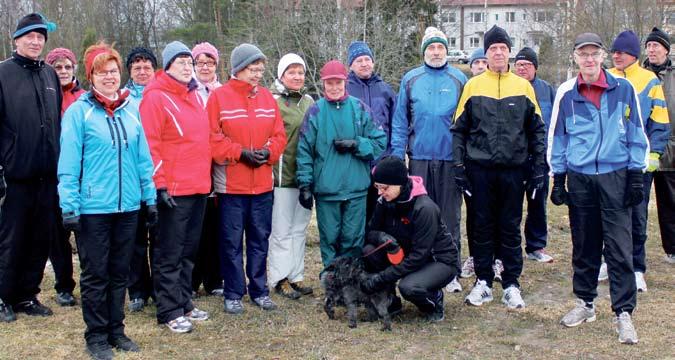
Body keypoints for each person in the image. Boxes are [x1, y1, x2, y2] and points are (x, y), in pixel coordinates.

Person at [58, 41, 156, 359]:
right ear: (91, 76)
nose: (110, 77)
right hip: (93, 210)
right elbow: (69, 164)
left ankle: (117, 330)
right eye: (102, 73)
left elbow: (143, 158)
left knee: (119, 273)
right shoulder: (79, 113)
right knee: (95, 274)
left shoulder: (131, 110)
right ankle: (96, 335)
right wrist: (69, 205)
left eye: (113, 71)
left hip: (127, 207)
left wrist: (149, 197)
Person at [549, 32, 648, 344]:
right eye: (583, 54)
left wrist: (635, 174)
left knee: (619, 247)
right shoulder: (567, 95)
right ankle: (585, 303)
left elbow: (636, 133)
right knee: (585, 244)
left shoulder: (624, 89)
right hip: (580, 180)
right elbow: (559, 139)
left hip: (615, 176)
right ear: (576, 58)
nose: (589, 59)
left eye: (594, 54)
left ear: (603, 56)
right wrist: (559, 177)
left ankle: (624, 313)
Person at [451, 25, 546, 309]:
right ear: (486, 53)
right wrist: (458, 165)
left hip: (513, 170)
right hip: (479, 169)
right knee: (480, 225)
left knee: (509, 225)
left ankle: (511, 282)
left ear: (509, 53)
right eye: (493, 48)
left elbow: (537, 130)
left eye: (503, 48)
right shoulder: (473, 85)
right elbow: (459, 130)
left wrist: (539, 165)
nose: (498, 52)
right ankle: (483, 280)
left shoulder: (523, 86)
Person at [207, 43, 287, 315]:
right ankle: (233, 292)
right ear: (238, 69)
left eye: (260, 69)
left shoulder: (267, 98)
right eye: (252, 68)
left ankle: (259, 290)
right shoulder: (218, 97)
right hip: (232, 186)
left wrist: (268, 153)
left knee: (259, 239)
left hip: (263, 185)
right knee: (231, 242)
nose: (257, 74)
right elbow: (213, 139)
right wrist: (239, 153)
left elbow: (279, 136)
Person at [140, 41, 211, 333]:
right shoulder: (155, 97)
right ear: (167, 66)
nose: (187, 67)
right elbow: (150, 144)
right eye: (180, 62)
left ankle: (184, 301)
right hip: (173, 188)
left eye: (189, 62)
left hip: (197, 186)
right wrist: (159, 186)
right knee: (169, 251)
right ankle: (168, 308)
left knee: (188, 249)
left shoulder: (193, 96)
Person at [390, 27, 467, 293]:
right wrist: (398, 155)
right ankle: (423, 265)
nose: (436, 52)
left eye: (441, 48)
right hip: (419, 158)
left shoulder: (459, 78)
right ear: (424, 51)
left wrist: (464, 157)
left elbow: (467, 121)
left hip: (449, 159)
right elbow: (400, 120)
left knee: (449, 215)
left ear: (447, 51)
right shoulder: (411, 79)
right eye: (431, 48)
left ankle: (451, 269)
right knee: (421, 215)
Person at [0, 13, 61, 323]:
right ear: (17, 39)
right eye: (30, 36)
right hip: (15, 175)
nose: (36, 41)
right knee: (11, 239)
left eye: (40, 37)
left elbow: (57, 124)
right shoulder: (3, 74)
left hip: (47, 176)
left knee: (40, 238)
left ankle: (27, 294)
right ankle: (2, 296)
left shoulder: (50, 76)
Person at [296, 59, 386, 269]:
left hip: (356, 189)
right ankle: (331, 281)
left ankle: (351, 282)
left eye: (338, 83)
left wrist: (357, 144)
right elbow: (304, 152)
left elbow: (379, 142)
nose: (334, 88)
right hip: (328, 189)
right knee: (330, 239)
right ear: (323, 84)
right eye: (329, 83)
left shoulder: (360, 109)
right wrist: (305, 184)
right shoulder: (315, 112)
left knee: (353, 239)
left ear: (345, 82)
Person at [605, 30, 670, 290]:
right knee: (608, 214)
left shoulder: (649, 80)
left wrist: (654, 153)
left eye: (621, 52)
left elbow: (660, 121)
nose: (616, 56)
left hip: (637, 162)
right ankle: (608, 261)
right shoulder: (605, 76)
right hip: (608, 161)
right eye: (614, 52)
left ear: (633, 54)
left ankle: (636, 267)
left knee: (636, 215)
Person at [361, 156, 459, 322]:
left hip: (438, 260)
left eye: (384, 188)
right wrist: (381, 237)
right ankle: (390, 302)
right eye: (377, 187)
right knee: (369, 251)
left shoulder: (424, 208)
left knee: (408, 286)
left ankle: (433, 300)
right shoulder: (384, 200)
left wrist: (381, 278)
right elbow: (370, 232)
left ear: (399, 184)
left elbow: (418, 257)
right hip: (405, 252)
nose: (380, 192)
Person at [267, 53, 315, 299]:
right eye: (291, 72)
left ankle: (296, 276)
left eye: (300, 72)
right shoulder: (272, 100)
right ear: (281, 75)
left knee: (299, 229)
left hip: (305, 178)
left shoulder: (308, 101)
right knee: (282, 230)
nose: (297, 77)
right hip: (282, 176)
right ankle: (279, 277)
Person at [45, 47, 86, 307]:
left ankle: (91, 281)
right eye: (57, 67)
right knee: (57, 235)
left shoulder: (83, 98)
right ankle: (64, 285)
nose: (62, 71)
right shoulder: (44, 95)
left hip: (81, 174)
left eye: (67, 67)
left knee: (85, 232)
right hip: (50, 173)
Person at [460, 46, 503, 281]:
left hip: (499, 167)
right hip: (473, 164)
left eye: (482, 63)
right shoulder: (469, 88)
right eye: (475, 63)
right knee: (475, 215)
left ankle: (497, 258)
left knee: (498, 215)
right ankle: (475, 257)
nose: (479, 67)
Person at [514, 47, 557, 263]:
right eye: (519, 64)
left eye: (527, 65)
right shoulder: (510, 87)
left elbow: (556, 123)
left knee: (538, 203)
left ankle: (536, 245)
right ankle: (509, 248)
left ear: (535, 68)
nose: (522, 68)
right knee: (511, 205)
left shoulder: (547, 90)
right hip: (514, 158)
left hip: (539, 158)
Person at [345, 41, 396, 225]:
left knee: (380, 211)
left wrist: (391, 154)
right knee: (357, 213)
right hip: (355, 162)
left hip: (381, 160)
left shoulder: (385, 89)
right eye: (359, 60)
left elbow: (395, 123)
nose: (364, 63)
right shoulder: (345, 89)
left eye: (367, 59)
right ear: (351, 65)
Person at [124, 46, 159, 313]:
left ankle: (160, 287)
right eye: (137, 67)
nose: (142, 71)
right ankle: (137, 290)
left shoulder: (162, 95)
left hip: (159, 175)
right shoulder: (123, 98)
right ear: (130, 71)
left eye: (147, 66)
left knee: (159, 238)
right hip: (130, 178)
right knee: (134, 239)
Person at [190, 42, 224, 298]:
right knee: (194, 227)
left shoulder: (222, 92)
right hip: (194, 166)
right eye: (200, 62)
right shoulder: (186, 91)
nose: (204, 67)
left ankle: (214, 279)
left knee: (216, 226)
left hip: (220, 167)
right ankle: (191, 279)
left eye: (209, 62)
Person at [642, 27, 674, 265]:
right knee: (638, 202)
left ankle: (672, 248)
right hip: (642, 149)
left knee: (670, 202)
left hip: (671, 150)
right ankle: (634, 251)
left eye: (656, 46)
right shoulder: (639, 74)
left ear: (666, 49)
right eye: (649, 46)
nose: (652, 49)